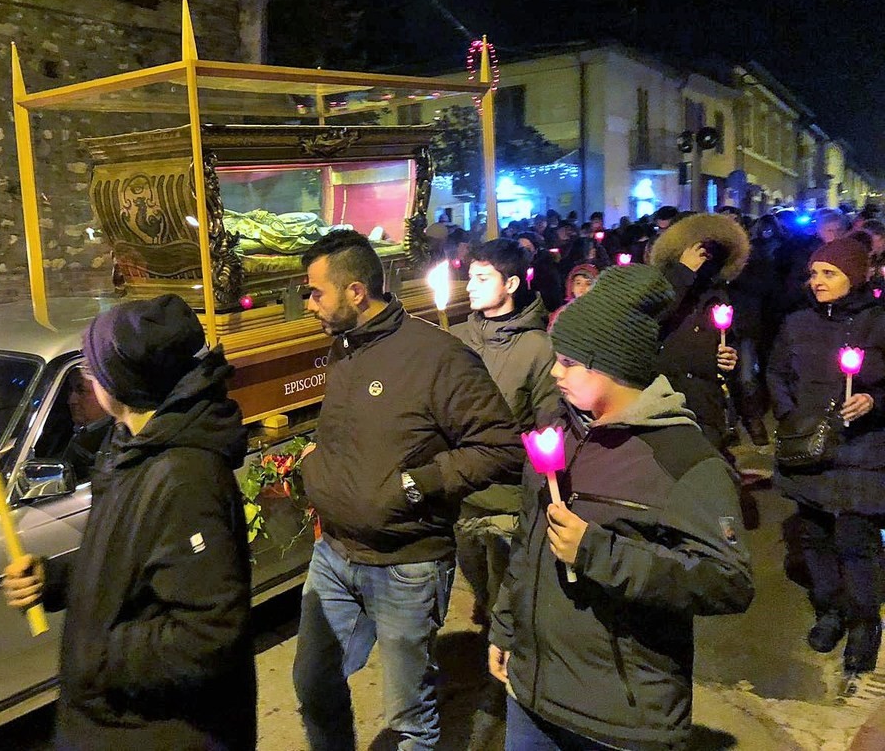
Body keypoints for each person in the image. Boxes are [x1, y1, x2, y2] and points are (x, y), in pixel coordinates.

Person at [489, 265, 755, 750]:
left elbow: (728, 582)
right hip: (532, 695)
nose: (554, 372)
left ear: (611, 365)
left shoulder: (684, 460)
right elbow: (528, 543)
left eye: (568, 362)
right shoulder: (560, 435)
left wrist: (597, 552)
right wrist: (506, 629)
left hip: (623, 719)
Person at [293, 229, 522, 751]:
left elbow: (500, 446)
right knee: (313, 683)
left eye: (315, 292)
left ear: (355, 292)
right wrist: (318, 467)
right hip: (334, 556)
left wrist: (416, 486)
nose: (308, 304)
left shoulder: (437, 357)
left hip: (405, 564)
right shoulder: (344, 350)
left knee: (407, 717)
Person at [1, 294, 256, 750]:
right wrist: (54, 579)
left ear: (121, 381)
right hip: (111, 724)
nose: (87, 377)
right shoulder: (129, 446)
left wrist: (96, 650)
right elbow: (128, 558)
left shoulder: (184, 478)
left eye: (91, 368)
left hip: (160, 735)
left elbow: (208, 634)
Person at [767, 236, 885, 675]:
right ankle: (829, 610)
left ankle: (863, 624)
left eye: (828, 273)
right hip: (809, 449)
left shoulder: (879, 324)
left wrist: (874, 402)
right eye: (814, 273)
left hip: (862, 450)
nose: (817, 281)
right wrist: (791, 415)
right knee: (813, 536)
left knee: (856, 541)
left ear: (853, 276)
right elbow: (777, 373)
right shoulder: (798, 323)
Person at [451, 239, 560, 629]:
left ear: (511, 284)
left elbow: (550, 422)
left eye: (482, 278)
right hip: (462, 490)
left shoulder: (537, 348)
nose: (469, 286)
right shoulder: (459, 338)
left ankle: (507, 679)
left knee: (506, 603)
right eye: (469, 278)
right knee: (478, 585)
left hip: (508, 498)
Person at [649, 213, 747, 454]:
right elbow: (655, 315)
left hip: (706, 398)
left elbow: (726, 337)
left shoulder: (718, 291)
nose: (704, 257)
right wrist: (684, 272)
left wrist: (730, 357)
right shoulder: (660, 281)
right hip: (667, 391)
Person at [547, 262, 597, 330]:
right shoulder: (561, 313)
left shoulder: (598, 312)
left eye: (588, 283)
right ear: (572, 287)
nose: (582, 287)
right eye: (578, 283)